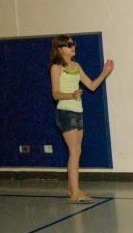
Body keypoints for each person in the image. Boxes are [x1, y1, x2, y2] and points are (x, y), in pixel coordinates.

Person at [49, 35, 114, 204]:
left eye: (73, 44)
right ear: (60, 49)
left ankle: (73, 189)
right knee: (74, 151)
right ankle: (75, 192)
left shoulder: (76, 66)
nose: (73, 47)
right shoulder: (56, 67)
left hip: (78, 112)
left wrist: (104, 73)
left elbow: (91, 85)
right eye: (69, 45)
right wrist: (71, 95)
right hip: (65, 113)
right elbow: (55, 94)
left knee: (76, 151)